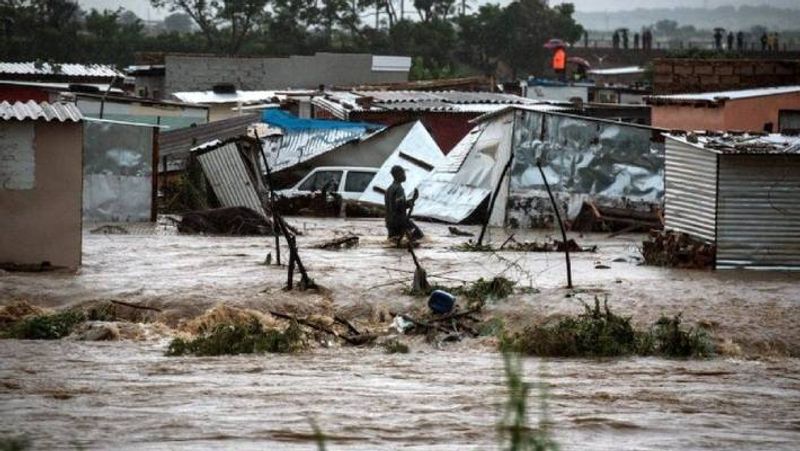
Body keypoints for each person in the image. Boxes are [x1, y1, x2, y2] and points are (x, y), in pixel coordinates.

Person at [384, 165, 423, 243]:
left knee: (393, 241)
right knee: (419, 236)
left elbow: (394, 205)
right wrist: (411, 202)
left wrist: (411, 200)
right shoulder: (399, 189)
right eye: (403, 173)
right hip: (400, 221)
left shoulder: (389, 189)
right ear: (398, 174)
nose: (405, 175)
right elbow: (400, 206)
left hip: (389, 221)